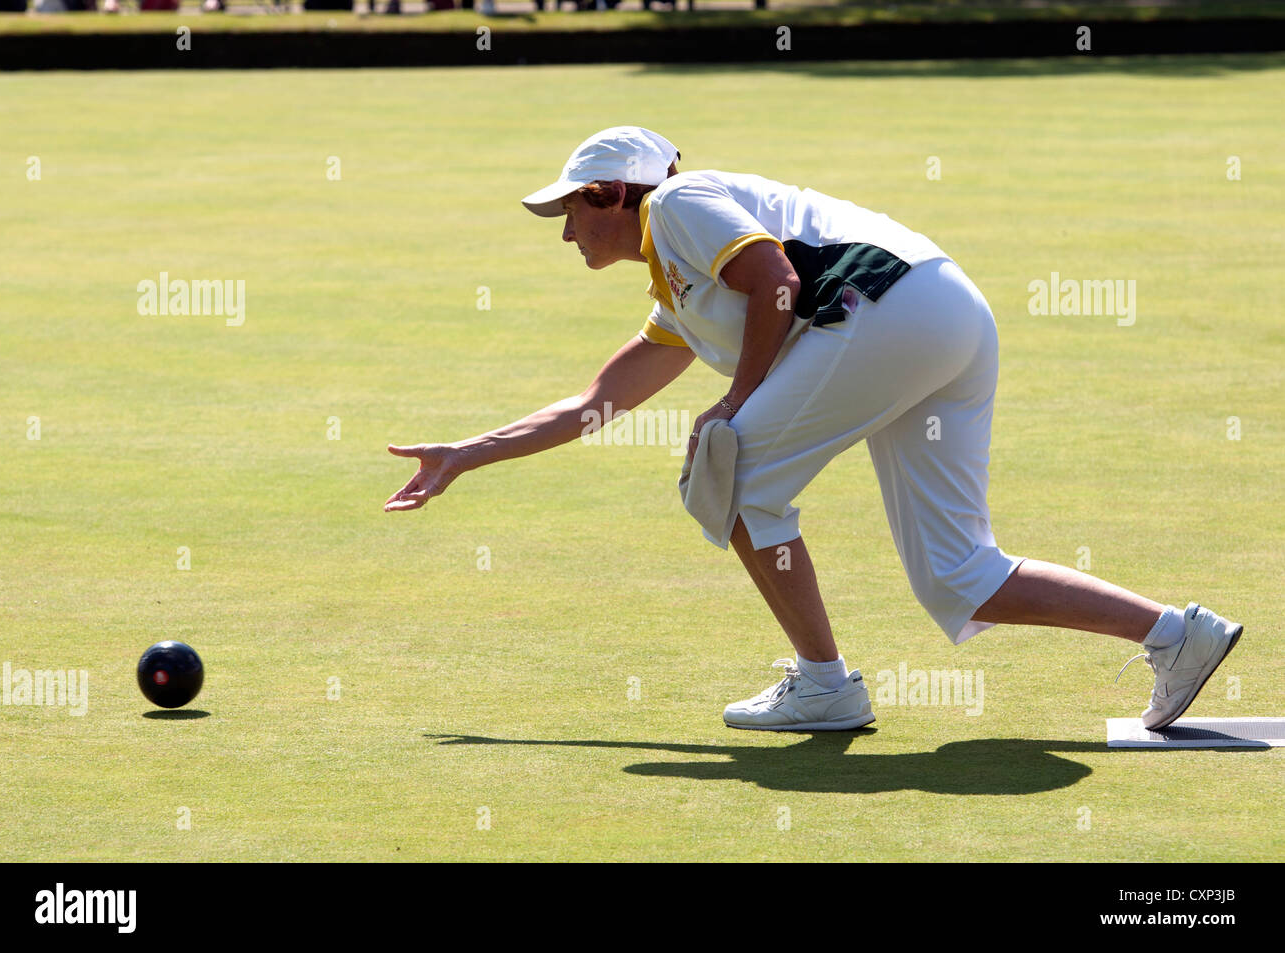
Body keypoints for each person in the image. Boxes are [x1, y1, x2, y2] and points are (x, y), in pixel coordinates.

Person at [385, 126, 1243, 732]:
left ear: (614, 194)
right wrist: (466, 454)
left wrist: (735, 400)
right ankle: (1179, 633)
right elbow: (593, 403)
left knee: (732, 473)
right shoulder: (680, 287)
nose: (567, 230)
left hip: (888, 308)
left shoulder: (675, 204)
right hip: (942, 316)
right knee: (958, 575)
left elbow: (777, 281)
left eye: (573, 209)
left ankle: (826, 686)